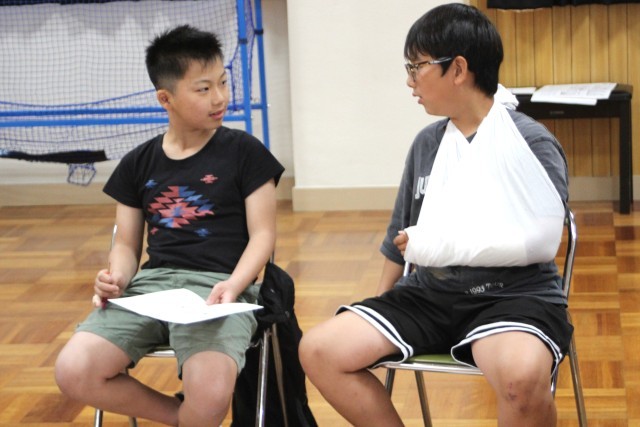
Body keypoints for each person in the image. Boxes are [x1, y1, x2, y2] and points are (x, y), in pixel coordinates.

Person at [299, 4, 573, 426]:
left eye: (417, 67)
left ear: (458, 69)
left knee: (520, 378)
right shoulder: (427, 144)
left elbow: (541, 242)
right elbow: (399, 236)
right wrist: (379, 304)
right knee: (318, 350)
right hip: (429, 295)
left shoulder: (531, 143)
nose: (410, 81)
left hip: (513, 297)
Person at [55, 25, 284, 426]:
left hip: (220, 290)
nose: (220, 97)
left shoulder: (246, 152)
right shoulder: (138, 163)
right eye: (203, 89)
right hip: (151, 288)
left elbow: (263, 235)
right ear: (166, 98)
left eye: (223, 82)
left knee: (210, 393)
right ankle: (180, 419)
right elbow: (126, 245)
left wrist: (234, 285)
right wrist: (116, 278)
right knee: (74, 370)